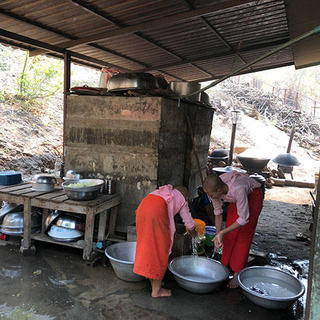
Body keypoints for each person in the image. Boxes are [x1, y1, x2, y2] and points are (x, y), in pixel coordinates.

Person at [133, 184, 197, 298]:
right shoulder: (182, 199)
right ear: (185, 196)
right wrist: (194, 234)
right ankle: (156, 291)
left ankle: (153, 282)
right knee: (160, 250)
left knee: (148, 247)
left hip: (142, 209)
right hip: (156, 211)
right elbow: (189, 223)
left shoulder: (163, 191)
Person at [203, 172, 263, 288]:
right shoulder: (215, 190)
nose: (210, 197)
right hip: (235, 200)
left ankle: (237, 273)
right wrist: (218, 235)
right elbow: (218, 212)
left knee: (243, 235)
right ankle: (225, 266)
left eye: (211, 195)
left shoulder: (238, 189)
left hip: (252, 197)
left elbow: (244, 219)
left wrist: (222, 232)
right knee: (230, 234)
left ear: (219, 190)